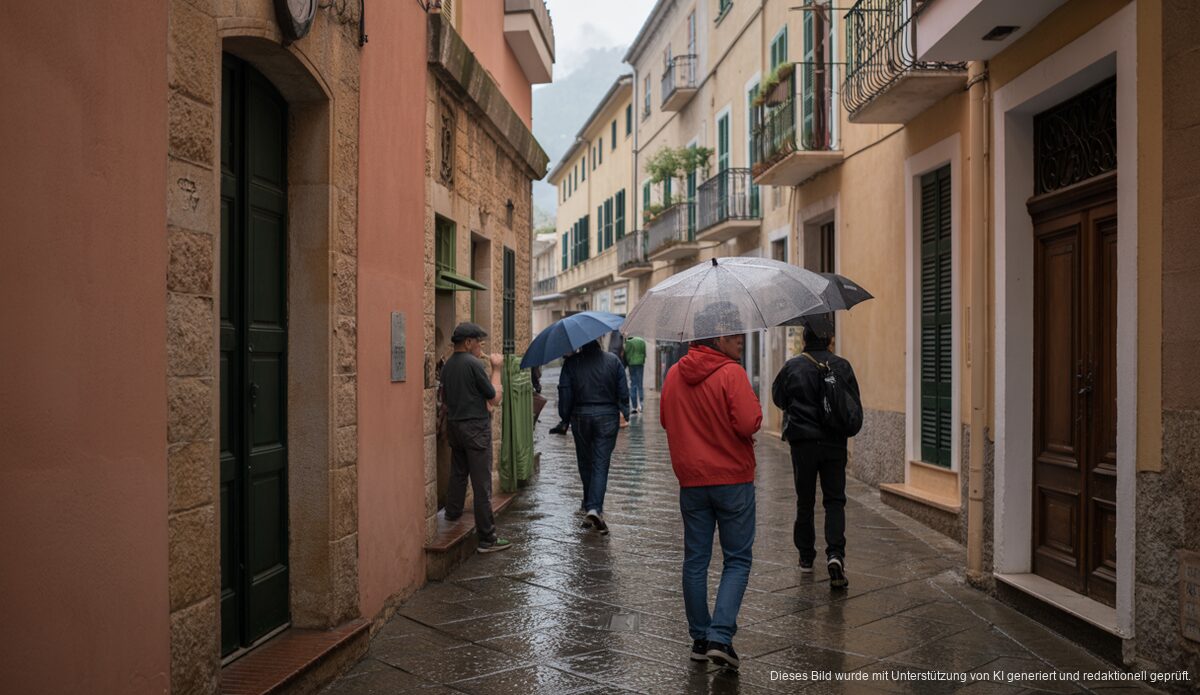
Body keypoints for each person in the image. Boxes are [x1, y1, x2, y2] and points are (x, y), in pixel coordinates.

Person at [660, 302, 761, 671]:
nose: (741, 340)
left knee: (696, 560)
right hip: (733, 480)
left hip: (692, 482)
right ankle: (720, 635)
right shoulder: (731, 373)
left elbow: (666, 420)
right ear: (718, 335)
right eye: (735, 333)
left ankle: (700, 639)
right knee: (737, 559)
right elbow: (749, 423)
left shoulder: (673, 375)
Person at [771, 315, 861, 589]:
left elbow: (778, 398)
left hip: (803, 445)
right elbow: (852, 404)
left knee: (805, 501)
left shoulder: (793, 367)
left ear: (804, 339)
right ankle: (835, 555)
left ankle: (806, 558)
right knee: (835, 501)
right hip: (834, 444)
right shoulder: (842, 366)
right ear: (830, 339)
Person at [440, 322, 512, 553]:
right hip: (475, 428)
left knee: (458, 473)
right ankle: (487, 539)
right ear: (468, 342)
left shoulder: (448, 365)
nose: (481, 345)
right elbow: (493, 397)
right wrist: (497, 368)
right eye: (478, 342)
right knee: (482, 484)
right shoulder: (472, 364)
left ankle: (452, 513)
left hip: (455, 426)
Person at [558, 339, 629, 534]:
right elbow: (623, 392)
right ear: (599, 341)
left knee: (585, 462)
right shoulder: (613, 361)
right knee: (600, 463)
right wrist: (625, 411)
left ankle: (590, 505)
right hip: (607, 416)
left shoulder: (571, 363)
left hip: (580, 418)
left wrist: (565, 418)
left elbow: (564, 394)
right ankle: (594, 508)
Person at [624, 334, 647, 414]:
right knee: (640, 384)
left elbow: (627, 353)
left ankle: (634, 406)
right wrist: (642, 360)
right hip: (640, 363)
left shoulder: (628, 342)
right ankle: (642, 405)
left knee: (633, 384)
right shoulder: (642, 341)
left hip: (632, 364)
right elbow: (644, 353)